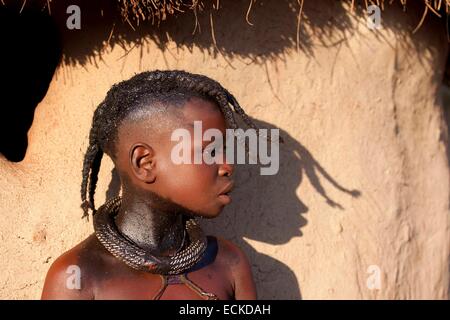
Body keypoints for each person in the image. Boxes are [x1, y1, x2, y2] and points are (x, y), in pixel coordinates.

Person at [41, 70, 257, 300]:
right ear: (145, 163)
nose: (227, 166)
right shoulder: (78, 277)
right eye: (210, 151)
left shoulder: (228, 263)